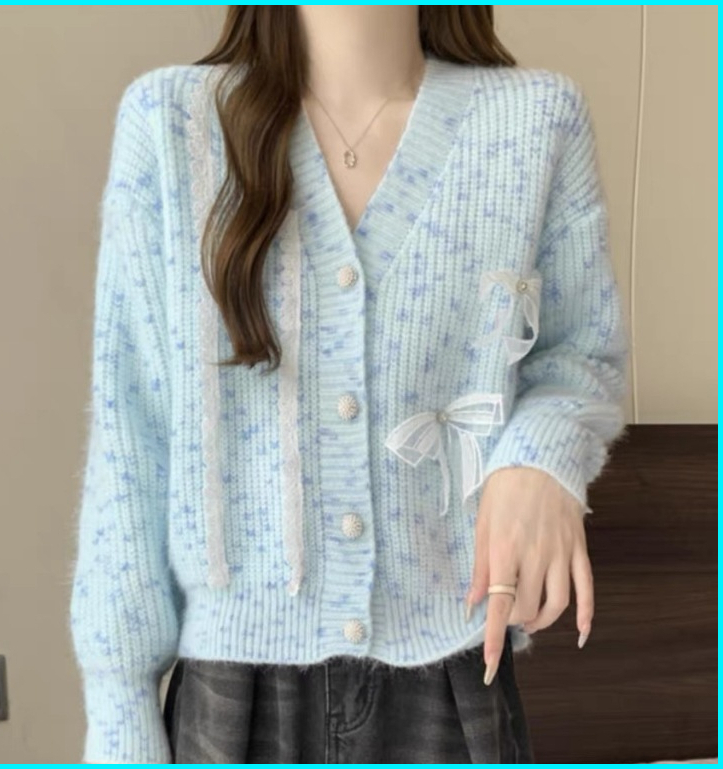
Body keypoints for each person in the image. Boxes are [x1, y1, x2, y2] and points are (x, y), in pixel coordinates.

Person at [68, 5, 629, 764]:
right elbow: (129, 431)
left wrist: (537, 458)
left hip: (452, 682)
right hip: (233, 699)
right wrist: (119, 714)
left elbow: (579, 355)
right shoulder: (173, 124)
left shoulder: (534, 123)